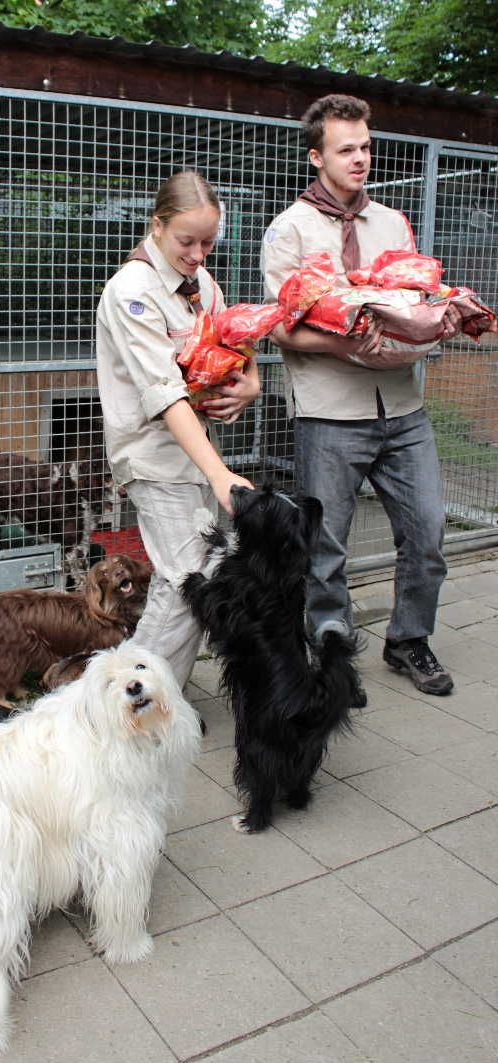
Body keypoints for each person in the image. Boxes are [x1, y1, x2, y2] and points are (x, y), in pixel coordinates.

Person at [261, 93, 463, 697]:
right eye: (346, 149)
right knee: (325, 549)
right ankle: (332, 654)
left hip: (404, 408)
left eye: (366, 146)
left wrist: (433, 324)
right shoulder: (288, 231)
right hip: (330, 414)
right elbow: (280, 326)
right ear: (316, 157)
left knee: (427, 533)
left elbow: (417, 301)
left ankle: (407, 640)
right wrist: (350, 345)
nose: (361, 158)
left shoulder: (393, 224)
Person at [96, 171, 259, 688]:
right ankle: (129, 697)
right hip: (154, 455)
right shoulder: (132, 291)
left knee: (188, 575)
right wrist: (220, 474)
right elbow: (164, 391)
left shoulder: (201, 283)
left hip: (193, 454)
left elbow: (233, 338)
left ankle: (150, 694)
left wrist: (250, 383)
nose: (198, 254)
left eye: (209, 242)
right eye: (187, 241)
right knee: (187, 579)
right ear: (158, 225)